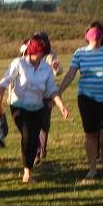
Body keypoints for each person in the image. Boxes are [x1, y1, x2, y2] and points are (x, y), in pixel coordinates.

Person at [58, 25, 103, 181]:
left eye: (98, 38)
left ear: (102, 39)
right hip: (86, 98)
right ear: (88, 38)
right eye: (93, 38)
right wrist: (59, 92)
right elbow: (71, 74)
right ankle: (92, 168)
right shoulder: (79, 53)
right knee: (90, 134)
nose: (96, 40)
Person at [0, 35, 69, 183]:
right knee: (27, 135)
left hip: (37, 106)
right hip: (18, 106)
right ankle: (27, 173)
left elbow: (51, 90)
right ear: (33, 51)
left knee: (34, 139)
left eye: (44, 52)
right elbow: (4, 82)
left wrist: (61, 106)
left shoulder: (46, 68)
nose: (43, 54)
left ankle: (29, 169)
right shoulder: (18, 63)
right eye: (40, 51)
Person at [33, 31, 62, 163]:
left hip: (47, 95)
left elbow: (59, 71)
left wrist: (55, 68)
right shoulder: (30, 52)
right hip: (33, 95)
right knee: (35, 125)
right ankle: (36, 153)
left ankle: (42, 150)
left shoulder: (51, 55)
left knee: (45, 125)